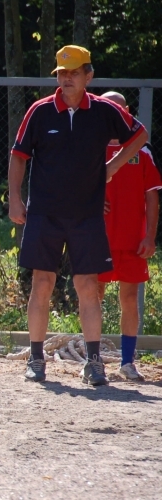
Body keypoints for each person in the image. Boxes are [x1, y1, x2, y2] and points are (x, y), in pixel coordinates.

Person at [9, 45, 148, 385]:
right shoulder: (40, 111)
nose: (66, 79)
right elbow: (18, 155)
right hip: (45, 214)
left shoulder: (104, 110)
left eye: (73, 73)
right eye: (61, 73)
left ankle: (94, 362)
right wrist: (14, 198)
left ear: (89, 76)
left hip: (87, 215)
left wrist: (113, 166)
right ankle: (36, 358)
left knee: (87, 285)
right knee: (42, 283)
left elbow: (140, 134)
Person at [97, 91, 161, 381]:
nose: (112, 113)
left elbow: (152, 197)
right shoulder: (89, 146)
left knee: (129, 298)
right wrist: (91, 199)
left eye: (117, 108)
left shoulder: (141, 151)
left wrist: (150, 236)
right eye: (107, 107)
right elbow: (71, 186)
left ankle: (127, 362)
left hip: (132, 240)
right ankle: (93, 359)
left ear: (127, 112)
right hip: (97, 238)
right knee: (93, 295)